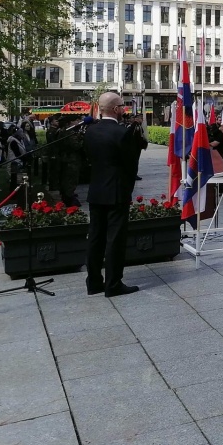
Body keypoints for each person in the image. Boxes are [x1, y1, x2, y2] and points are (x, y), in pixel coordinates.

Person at [84, 92, 142, 297]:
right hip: (116, 191)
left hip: (96, 190)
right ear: (116, 109)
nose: (124, 110)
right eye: (122, 106)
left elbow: (88, 158)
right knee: (115, 239)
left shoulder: (90, 131)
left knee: (95, 237)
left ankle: (93, 282)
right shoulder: (122, 133)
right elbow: (131, 163)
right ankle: (113, 284)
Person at [58, 118, 84, 207]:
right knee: (71, 180)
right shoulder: (69, 132)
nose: (78, 122)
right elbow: (76, 146)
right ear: (70, 122)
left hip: (66, 159)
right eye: (76, 120)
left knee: (67, 180)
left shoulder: (64, 131)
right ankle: (69, 199)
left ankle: (67, 196)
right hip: (71, 160)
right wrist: (82, 140)